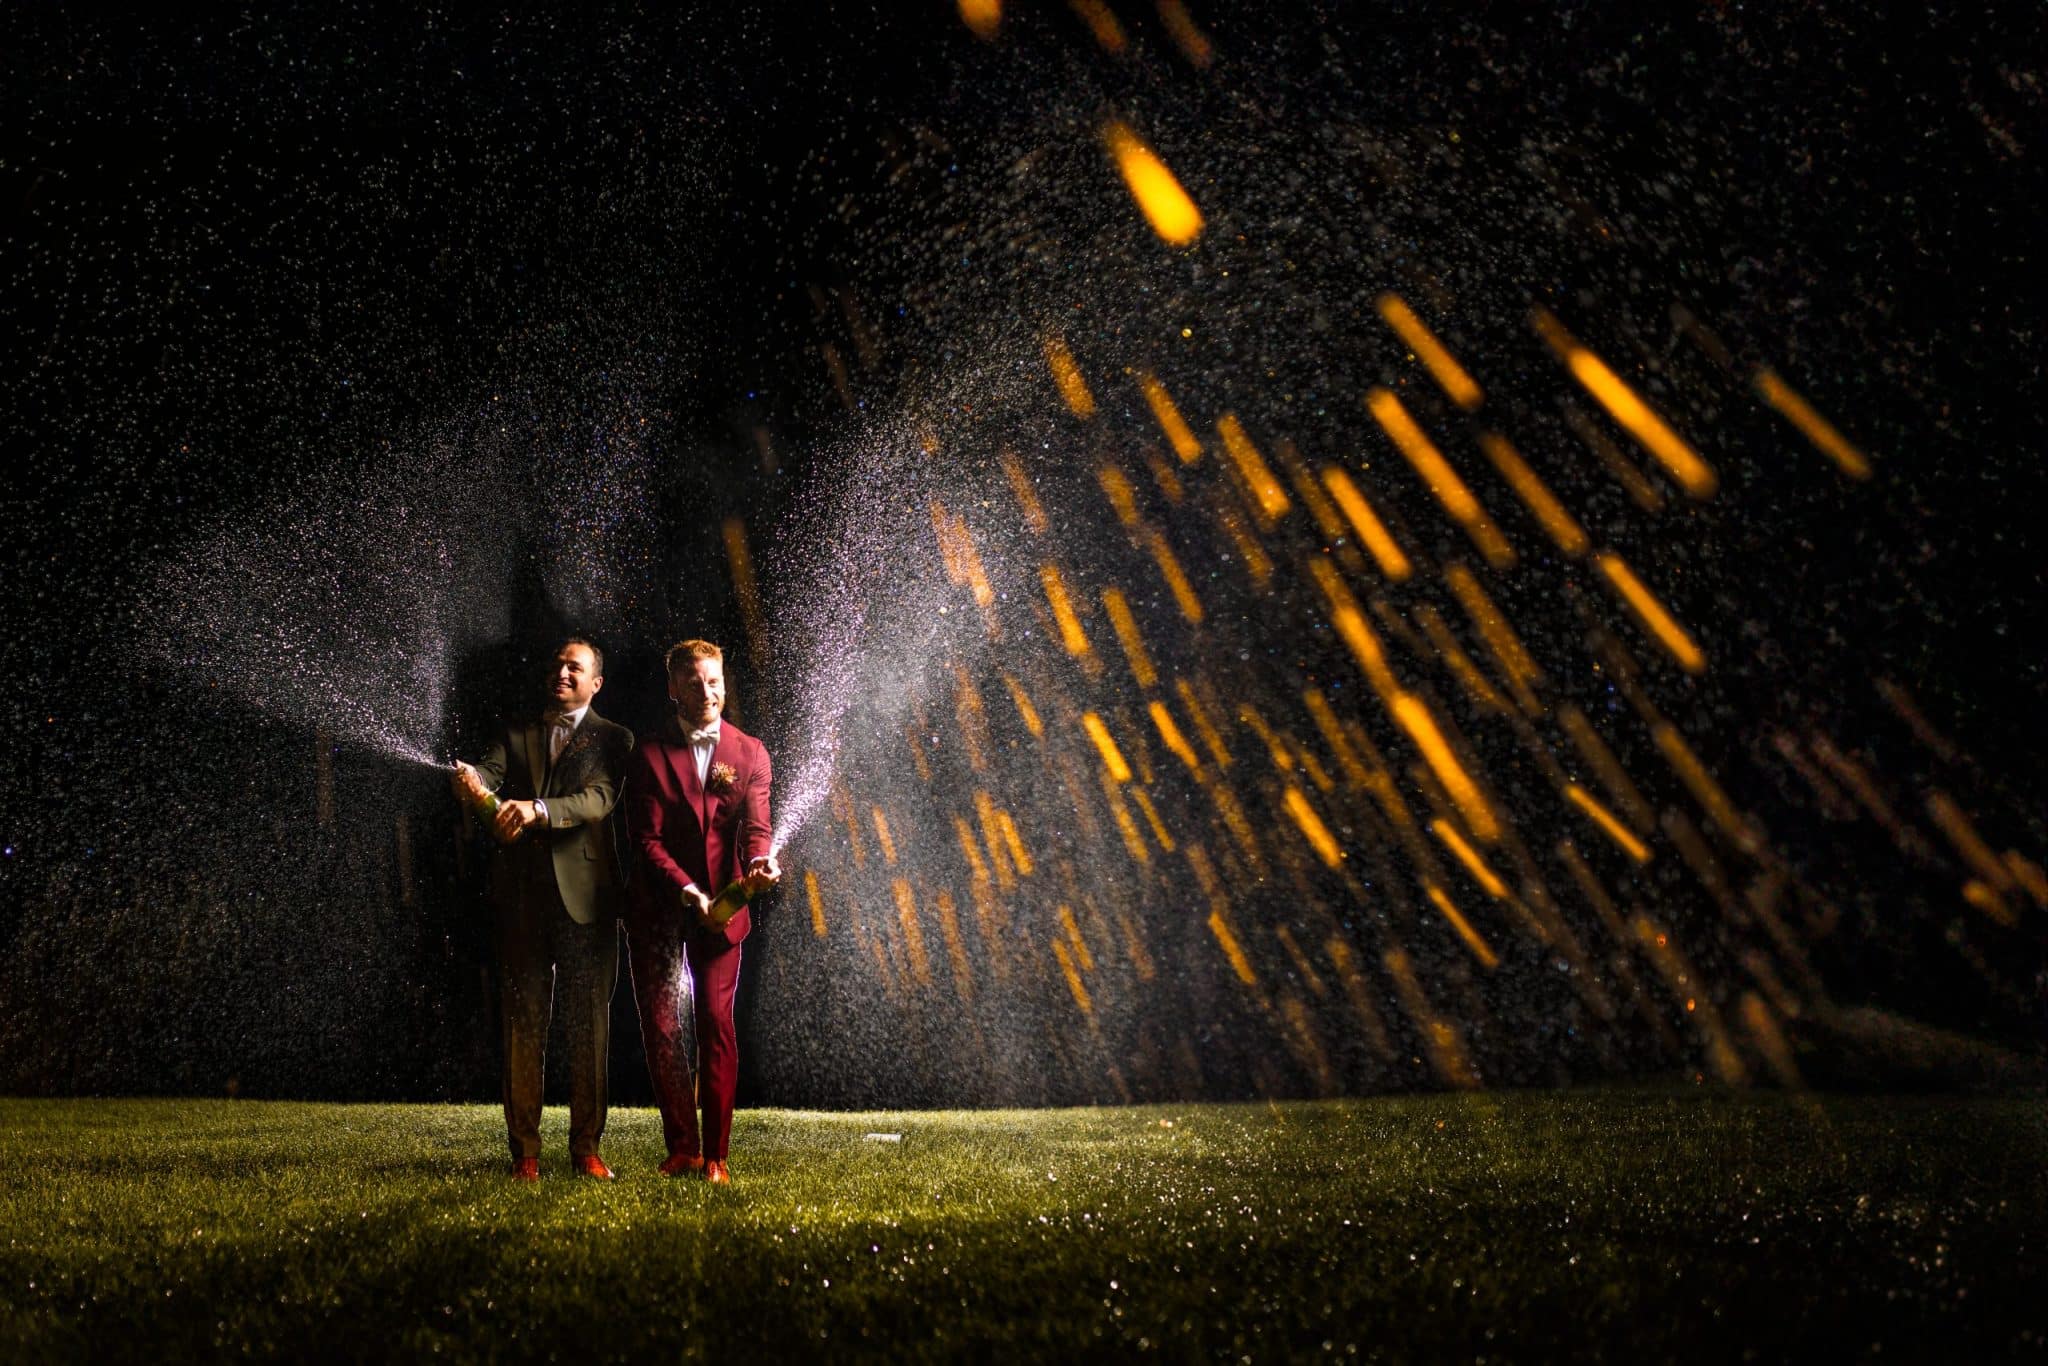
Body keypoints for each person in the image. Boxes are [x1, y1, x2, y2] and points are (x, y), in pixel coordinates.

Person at [451, 637, 634, 1181]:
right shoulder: (516, 731)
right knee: (523, 1026)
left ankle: (586, 1149)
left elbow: (597, 799)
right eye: (556, 665)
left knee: (589, 1029)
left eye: (573, 668)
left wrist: (536, 810)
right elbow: (488, 777)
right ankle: (524, 1154)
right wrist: (474, 785)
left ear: (595, 683)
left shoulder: (613, 739)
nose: (561, 673)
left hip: (589, 902)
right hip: (523, 900)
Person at [624, 638, 780, 1184]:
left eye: (714, 680)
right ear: (673, 689)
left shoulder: (751, 753)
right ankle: (682, 1146)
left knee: (716, 1024)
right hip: (660, 909)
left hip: (722, 910)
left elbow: (757, 831)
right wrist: (686, 890)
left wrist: (760, 865)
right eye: (694, 682)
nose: (708, 691)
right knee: (664, 1028)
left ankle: (716, 1156)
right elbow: (645, 839)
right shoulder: (647, 755)